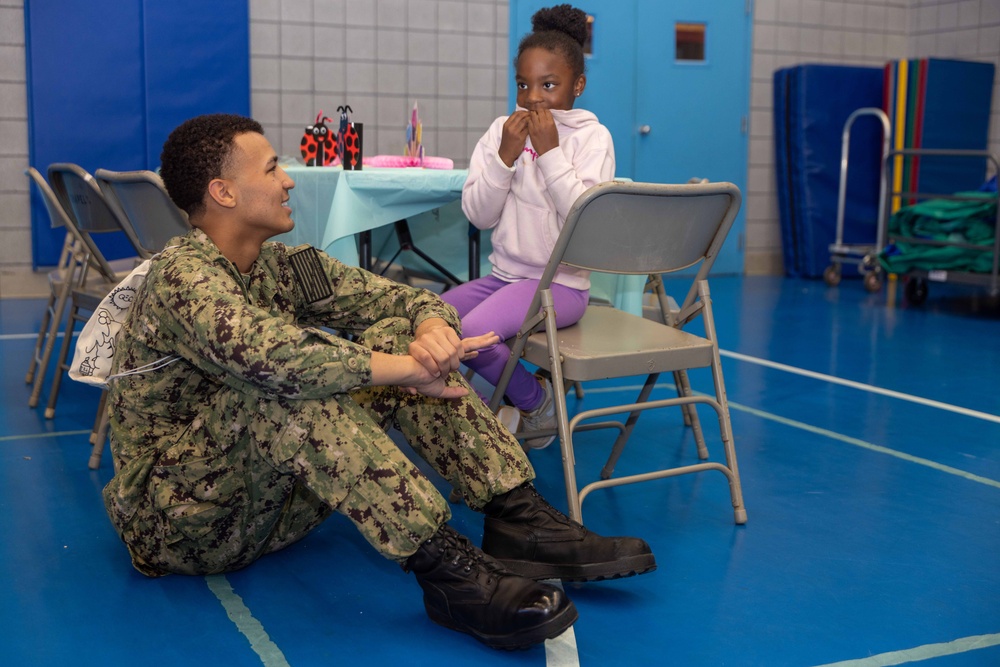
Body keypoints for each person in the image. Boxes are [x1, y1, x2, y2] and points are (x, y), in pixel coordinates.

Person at [100, 113, 655, 650]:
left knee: (397, 335)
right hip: (181, 520)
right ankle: (449, 575)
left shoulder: (283, 265)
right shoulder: (184, 276)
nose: (288, 179)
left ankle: (516, 515)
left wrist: (431, 334)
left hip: (268, 505)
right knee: (283, 386)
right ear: (223, 193)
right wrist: (410, 370)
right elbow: (273, 357)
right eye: (271, 170)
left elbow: (400, 298)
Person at [441, 4, 614, 449]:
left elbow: (587, 230)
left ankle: (537, 405)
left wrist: (551, 154)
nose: (534, 97)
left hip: (561, 285)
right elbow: (479, 216)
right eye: (523, 84)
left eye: (549, 85)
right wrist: (505, 157)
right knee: (429, 317)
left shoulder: (593, 138)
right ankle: (478, 404)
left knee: (469, 336)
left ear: (578, 85)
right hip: (504, 277)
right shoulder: (502, 131)